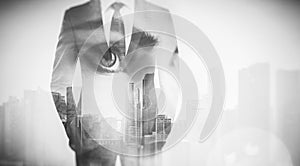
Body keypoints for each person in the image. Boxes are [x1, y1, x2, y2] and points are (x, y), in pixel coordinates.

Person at [50, 0, 179, 165]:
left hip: (144, 133)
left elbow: (172, 83)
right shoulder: (76, 16)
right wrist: (73, 131)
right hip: (91, 132)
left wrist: (161, 133)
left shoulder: (160, 15)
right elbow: (60, 81)